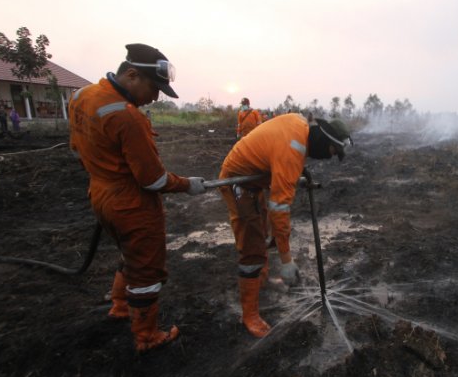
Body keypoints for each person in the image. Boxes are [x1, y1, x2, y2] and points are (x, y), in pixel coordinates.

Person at [68, 43, 207, 353]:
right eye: (153, 87)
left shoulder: (80, 96)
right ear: (131, 75)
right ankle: (146, 336)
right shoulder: (126, 116)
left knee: (129, 254)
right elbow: (153, 179)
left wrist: (104, 174)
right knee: (145, 268)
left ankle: (120, 306)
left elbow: (77, 148)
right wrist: (188, 185)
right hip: (131, 204)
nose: (156, 97)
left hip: (100, 193)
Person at [219, 114, 351, 337]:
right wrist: (286, 259)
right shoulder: (295, 147)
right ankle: (249, 315)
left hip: (254, 181)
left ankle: (260, 282)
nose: (329, 158)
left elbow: (279, 157)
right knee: (251, 245)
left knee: (260, 235)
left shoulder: (300, 128)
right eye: (332, 152)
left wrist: (294, 175)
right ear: (323, 141)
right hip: (238, 180)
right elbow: (279, 208)